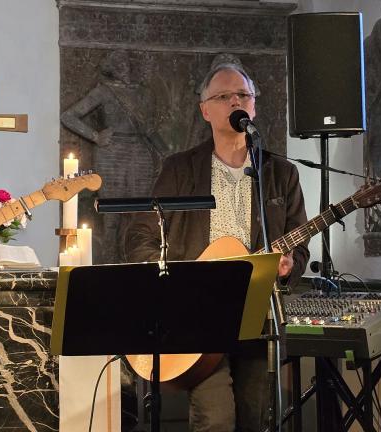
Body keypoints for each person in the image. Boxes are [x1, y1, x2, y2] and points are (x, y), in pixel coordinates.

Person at [124, 61, 309, 431]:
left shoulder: (281, 173)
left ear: (253, 106)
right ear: (205, 110)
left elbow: (299, 246)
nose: (235, 101)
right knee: (216, 419)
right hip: (197, 317)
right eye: (223, 96)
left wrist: (289, 265)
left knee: (257, 417)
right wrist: (177, 284)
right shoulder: (179, 169)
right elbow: (140, 238)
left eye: (242, 95)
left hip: (257, 314)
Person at [61, 49, 166, 263]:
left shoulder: (144, 93)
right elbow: (69, 116)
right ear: (111, 69)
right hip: (112, 152)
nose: (124, 68)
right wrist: (95, 136)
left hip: (139, 152)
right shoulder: (104, 91)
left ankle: (137, 260)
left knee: (140, 212)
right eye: (118, 64)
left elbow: (150, 129)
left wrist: (165, 154)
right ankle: (108, 262)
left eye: (126, 64)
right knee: (111, 214)